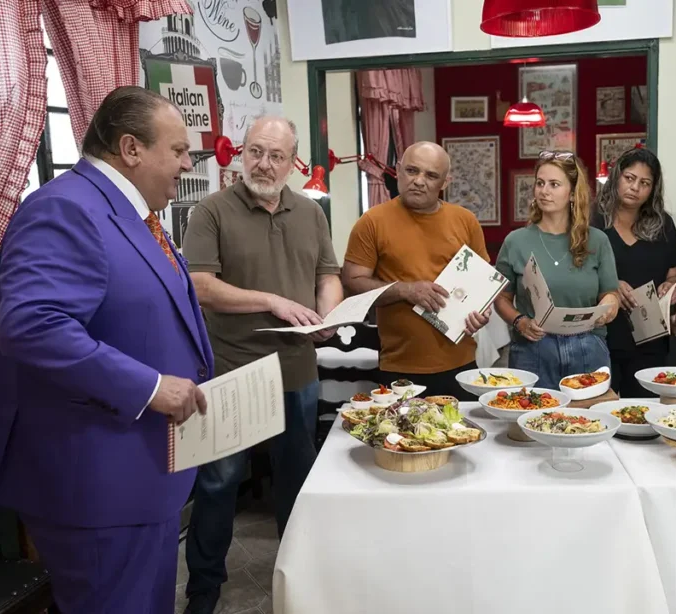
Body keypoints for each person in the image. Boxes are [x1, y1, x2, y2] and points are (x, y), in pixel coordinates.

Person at [0, 86, 212, 613]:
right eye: (178, 150)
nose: (187, 164)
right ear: (131, 149)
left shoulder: (134, 214)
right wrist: (149, 387)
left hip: (141, 472)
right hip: (96, 478)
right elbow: (32, 325)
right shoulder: (65, 209)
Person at [181, 116, 343, 614]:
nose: (263, 164)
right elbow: (201, 286)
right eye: (255, 151)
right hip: (233, 373)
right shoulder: (210, 211)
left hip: (297, 370)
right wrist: (271, 301)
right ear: (241, 153)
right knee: (217, 484)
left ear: (292, 161)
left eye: (275, 155)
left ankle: (298, 584)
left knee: (297, 482)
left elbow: (328, 275)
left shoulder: (311, 213)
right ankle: (203, 590)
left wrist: (331, 314)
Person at [342, 141, 490, 401]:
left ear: (445, 182)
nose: (419, 181)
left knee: (466, 439)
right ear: (398, 171)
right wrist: (405, 290)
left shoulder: (465, 221)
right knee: (403, 440)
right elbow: (353, 282)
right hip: (400, 369)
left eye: (431, 175)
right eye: (412, 171)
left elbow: (483, 285)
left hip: (461, 365)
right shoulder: (372, 222)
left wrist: (483, 311)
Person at [493, 151, 619, 389]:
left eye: (554, 184)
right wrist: (519, 321)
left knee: (589, 423)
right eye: (540, 183)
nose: (544, 191)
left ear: (572, 193)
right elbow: (501, 297)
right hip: (533, 347)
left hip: (588, 346)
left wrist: (610, 308)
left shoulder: (597, 241)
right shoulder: (515, 241)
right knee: (532, 420)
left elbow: (610, 293)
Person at [596, 147, 676, 397]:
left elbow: (675, 274)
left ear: (652, 189)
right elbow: (577, 273)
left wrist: (672, 287)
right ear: (617, 177)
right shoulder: (592, 219)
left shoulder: (663, 224)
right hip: (602, 335)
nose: (635, 187)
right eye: (630, 178)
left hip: (649, 337)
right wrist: (611, 284)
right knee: (600, 412)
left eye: (644, 183)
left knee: (643, 416)